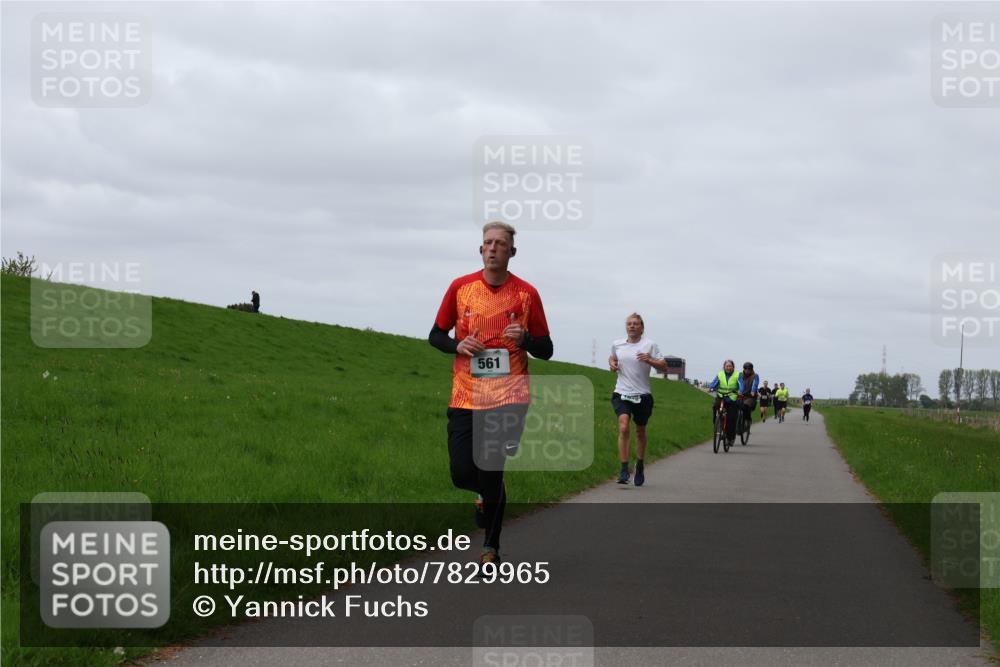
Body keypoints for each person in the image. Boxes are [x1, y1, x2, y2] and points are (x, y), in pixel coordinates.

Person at [428, 221, 553, 571]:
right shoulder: (460, 288)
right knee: (461, 471)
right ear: (480, 250)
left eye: (501, 243)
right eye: (487, 243)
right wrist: (457, 344)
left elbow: (547, 348)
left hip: (509, 396)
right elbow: (435, 335)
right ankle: (485, 492)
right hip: (465, 394)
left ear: (512, 252)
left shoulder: (527, 294)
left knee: (492, 464)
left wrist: (526, 339)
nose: (493, 248)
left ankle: (490, 547)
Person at [609, 313, 668, 486]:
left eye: (635, 324)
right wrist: (612, 363)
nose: (632, 326)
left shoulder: (650, 345)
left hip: (642, 394)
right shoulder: (617, 344)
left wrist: (649, 359)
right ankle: (624, 469)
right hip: (622, 393)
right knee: (624, 426)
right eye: (629, 323)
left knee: (640, 431)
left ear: (642, 327)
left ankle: (640, 465)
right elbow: (613, 358)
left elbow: (664, 366)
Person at [707, 360, 740, 446]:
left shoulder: (737, 375)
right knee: (715, 406)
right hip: (721, 396)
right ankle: (716, 423)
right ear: (724, 367)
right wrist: (711, 387)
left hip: (732, 398)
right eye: (727, 366)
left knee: (731, 419)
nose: (728, 368)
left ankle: (730, 438)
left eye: (730, 366)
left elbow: (742, 384)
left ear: (733, 367)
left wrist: (740, 391)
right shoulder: (720, 374)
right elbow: (714, 382)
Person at [737, 362, 759, 433]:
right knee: (734, 407)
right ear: (743, 369)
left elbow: (755, 384)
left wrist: (753, 391)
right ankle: (736, 424)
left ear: (751, 369)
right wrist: (739, 391)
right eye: (745, 369)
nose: (747, 370)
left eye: (749, 369)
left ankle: (748, 420)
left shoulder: (755, 376)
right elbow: (740, 383)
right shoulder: (740, 375)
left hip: (750, 396)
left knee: (745, 406)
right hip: (741, 395)